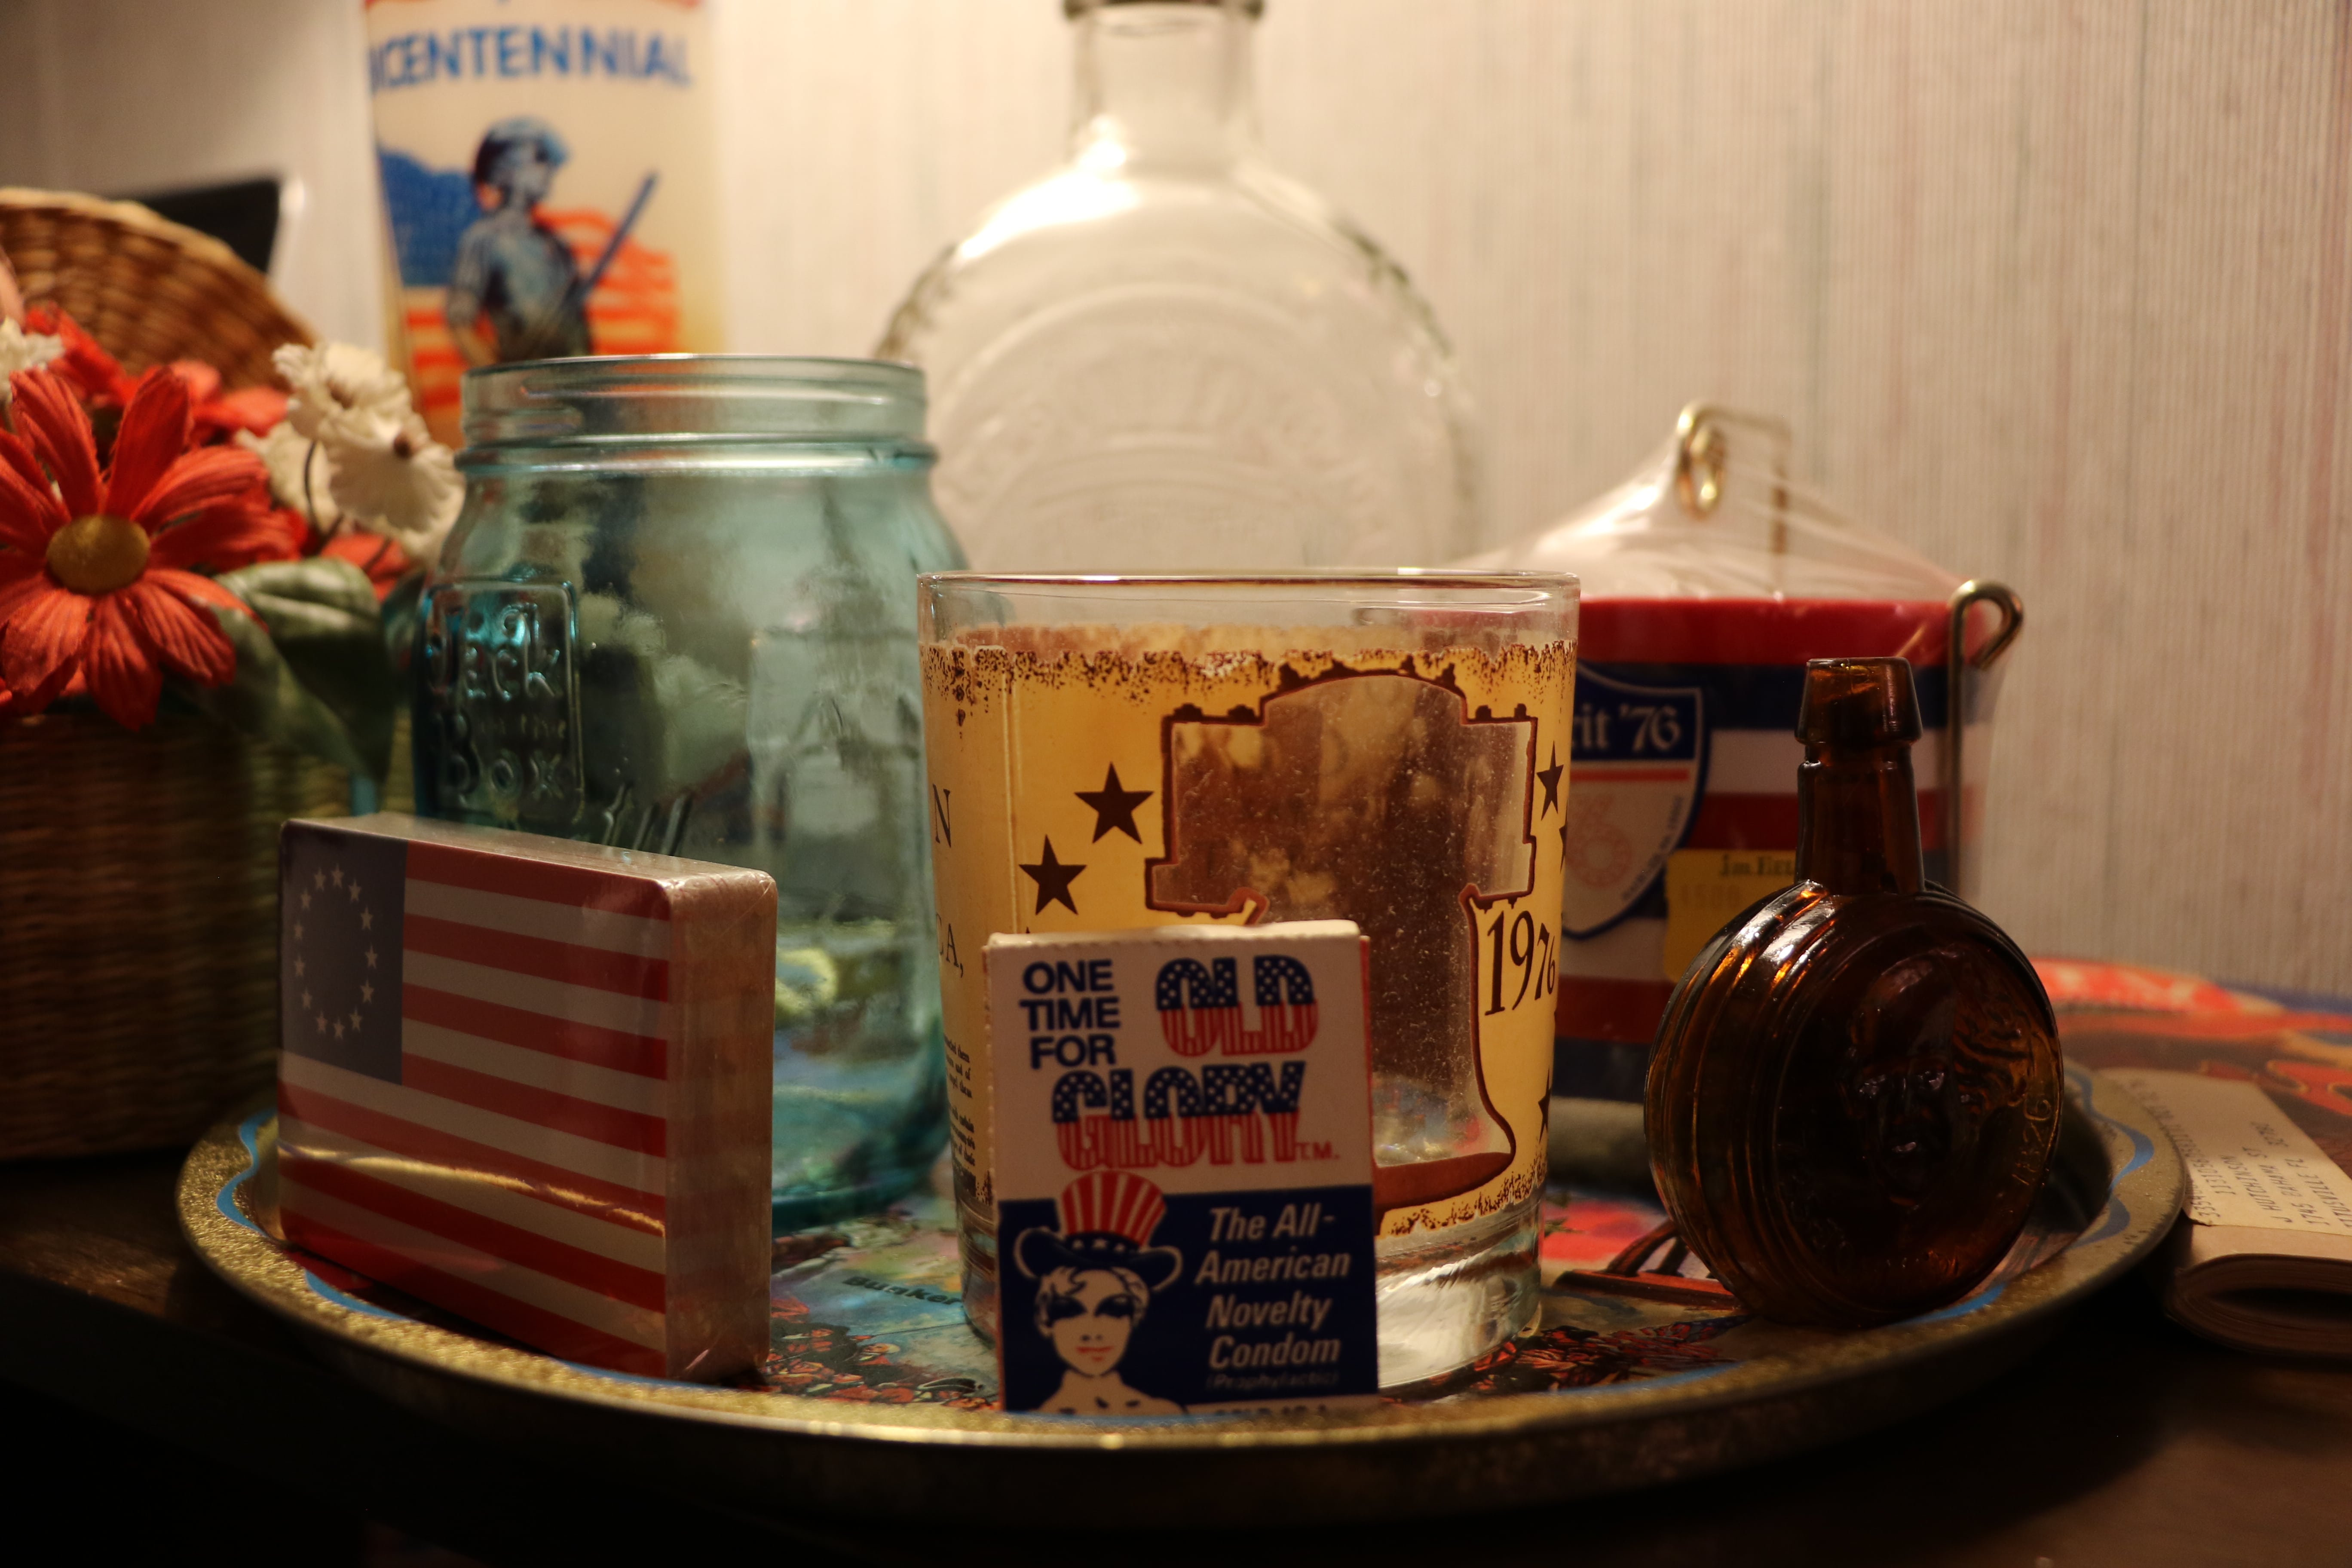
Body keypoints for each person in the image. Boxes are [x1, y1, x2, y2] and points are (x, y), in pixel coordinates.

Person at [1013, 1172, 1186, 1415]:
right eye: (1069, 1311)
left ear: (1134, 1318)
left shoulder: (1166, 1415)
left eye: (1114, 1310)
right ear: (1046, 1320)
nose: (1092, 1333)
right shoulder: (1031, 1423)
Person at [446, 117, 592, 365]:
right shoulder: (484, 239)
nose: (549, 170)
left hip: (571, 382)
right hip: (521, 381)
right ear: (505, 169)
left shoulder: (556, 245)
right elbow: (461, 322)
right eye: (539, 159)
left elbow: (579, 331)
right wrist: (502, 380)